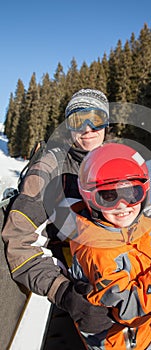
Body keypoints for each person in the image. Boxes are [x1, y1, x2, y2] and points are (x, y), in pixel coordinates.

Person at [69, 142, 151, 349]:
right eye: (108, 196)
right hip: (131, 339)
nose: (122, 205)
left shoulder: (140, 219)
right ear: (91, 200)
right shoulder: (96, 250)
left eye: (133, 193)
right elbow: (129, 309)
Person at [2, 88, 113, 338]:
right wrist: (62, 291)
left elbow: (143, 214)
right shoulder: (50, 167)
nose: (87, 129)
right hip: (67, 268)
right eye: (77, 120)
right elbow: (19, 240)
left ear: (106, 123)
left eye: (95, 120)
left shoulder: (115, 162)